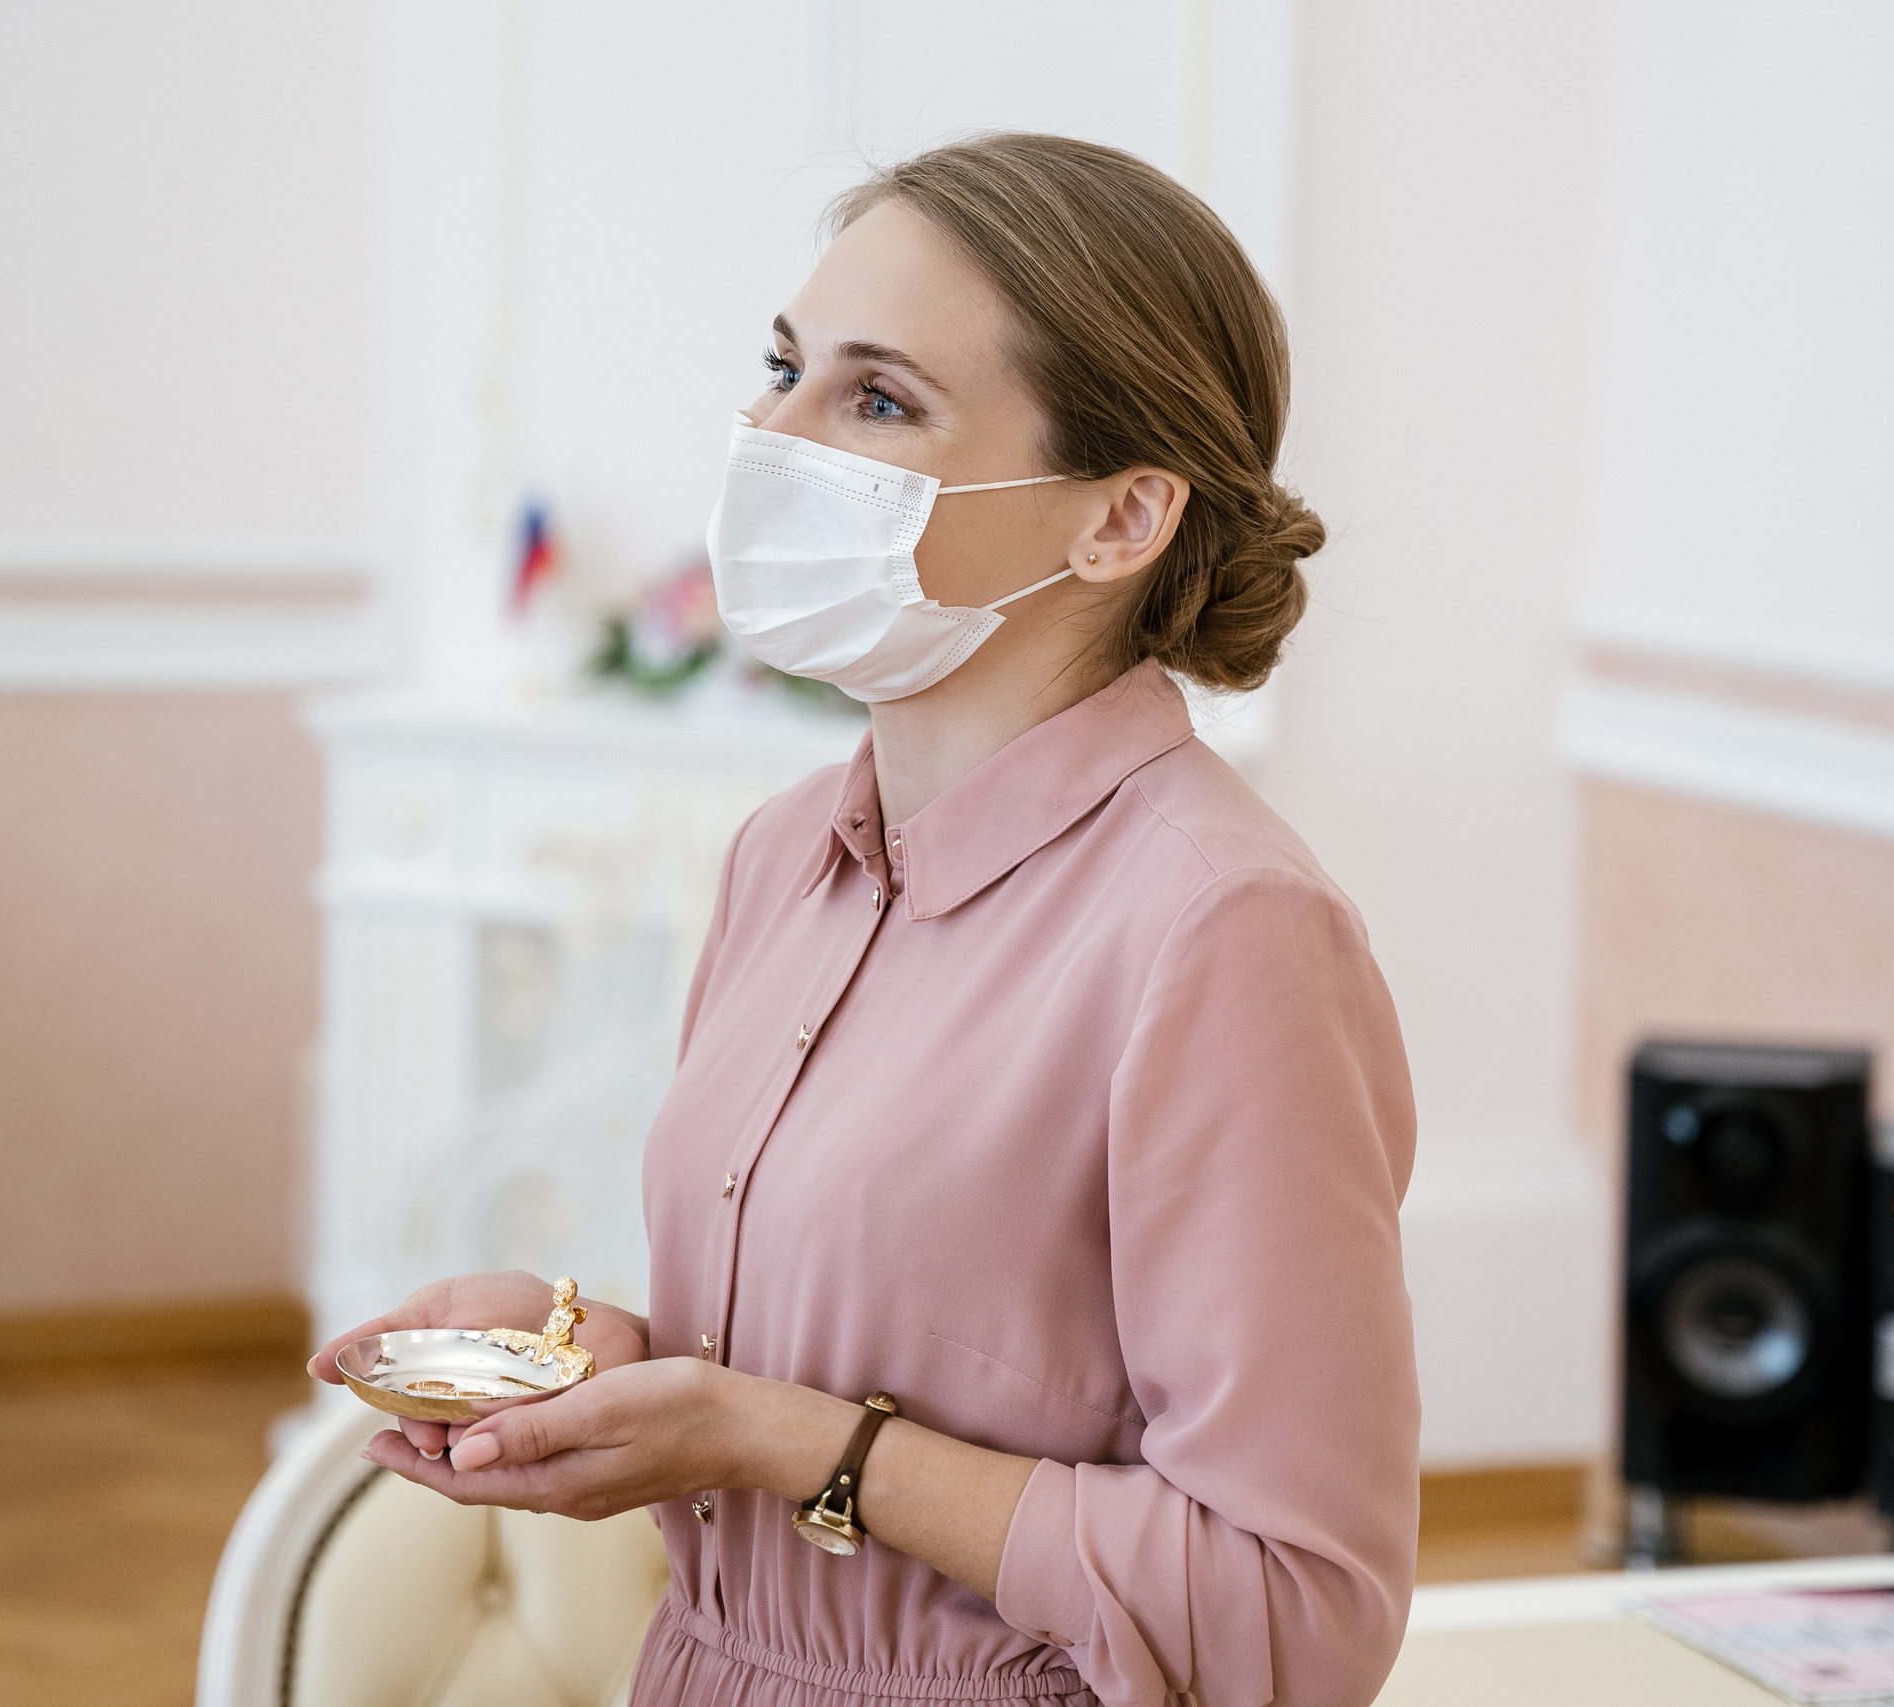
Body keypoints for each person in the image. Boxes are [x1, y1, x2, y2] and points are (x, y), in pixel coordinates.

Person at [309, 131, 1419, 1707]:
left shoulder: (1228, 933)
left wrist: (772, 1440)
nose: (772, 437)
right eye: (782, 369)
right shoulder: (784, 860)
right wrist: (609, 1359)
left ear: (1119, 519)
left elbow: (1292, 1618)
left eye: (878, 399)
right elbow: (885, 1357)